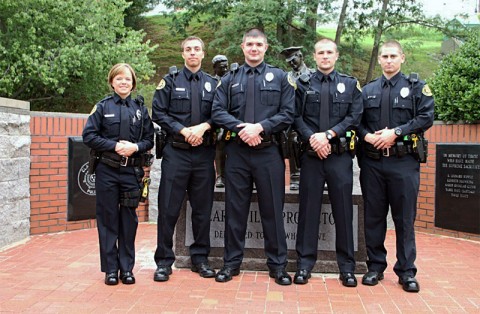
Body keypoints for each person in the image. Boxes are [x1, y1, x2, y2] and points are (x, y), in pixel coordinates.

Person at [212, 28, 295, 286]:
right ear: (243, 46)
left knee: (272, 210)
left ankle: (278, 266)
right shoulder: (230, 79)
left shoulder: (280, 78)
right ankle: (231, 264)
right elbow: (217, 111)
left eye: (259, 44)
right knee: (235, 211)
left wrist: (260, 127)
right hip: (237, 153)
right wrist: (242, 129)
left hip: (269, 152)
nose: (254, 48)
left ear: (266, 47)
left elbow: (288, 113)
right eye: (250, 44)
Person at [358, 40, 434, 293]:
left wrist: (397, 132)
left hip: (404, 162)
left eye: (393, 56)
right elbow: (355, 121)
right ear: (379, 60)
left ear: (402, 58)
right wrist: (367, 136)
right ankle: (375, 267)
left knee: (404, 219)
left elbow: (426, 117)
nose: (388, 60)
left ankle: (406, 271)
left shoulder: (416, 88)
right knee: (374, 217)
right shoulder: (367, 90)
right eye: (384, 56)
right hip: (373, 163)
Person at [293, 39, 362, 287]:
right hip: (311, 156)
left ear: (336, 55)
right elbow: (295, 116)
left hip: (339, 157)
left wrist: (329, 135)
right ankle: (303, 265)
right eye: (320, 52)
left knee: (343, 212)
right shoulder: (302, 84)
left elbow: (354, 117)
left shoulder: (350, 84)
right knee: (308, 210)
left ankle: (347, 267)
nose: (325, 56)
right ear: (314, 56)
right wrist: (313, 138)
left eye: (329, 52)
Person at [152, 36, 218, 282]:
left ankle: (200, 259)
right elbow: (158, 112)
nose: (192, 53)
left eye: (197, 49)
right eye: (188, 49)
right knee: (168, 209)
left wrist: (204, 127)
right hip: (176, 153)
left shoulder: (214, 84)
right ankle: (164, 262)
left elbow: (221, 114)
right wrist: (184, 130)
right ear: (182, 54)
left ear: (203, 54)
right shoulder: (169, 82)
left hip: (203, 154)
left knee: (202, 210)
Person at [82, 63, 155, 286]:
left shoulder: (141, 110)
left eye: (127, 79)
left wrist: (134, 147)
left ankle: (127, 268)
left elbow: (149, 140)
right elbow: (89, 136)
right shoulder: (102, 107)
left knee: (129, 220)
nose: (123, 82)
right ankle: (111, 270)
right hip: (108, 171)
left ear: (133, 83)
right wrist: (114, 146)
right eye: (119, 79)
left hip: (131, 172)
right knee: (108, 220)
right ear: (112, 82)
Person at [280, 46, 314, 191]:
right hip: (290, 119)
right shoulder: (286, 77)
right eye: (289, 62)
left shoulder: (314, 74)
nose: (291, 64)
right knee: (290, 139)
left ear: (300, 56)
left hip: (309, 119)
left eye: (293, 60)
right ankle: (295, 176)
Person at [212, 55, 229, 188]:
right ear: (215, 68)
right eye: (221, 67)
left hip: (231, 121)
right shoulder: (211, 82)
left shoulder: (232, 80)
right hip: (215, 122)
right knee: (220, 145)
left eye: (226, 66)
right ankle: (220, 176)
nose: (225, 69)